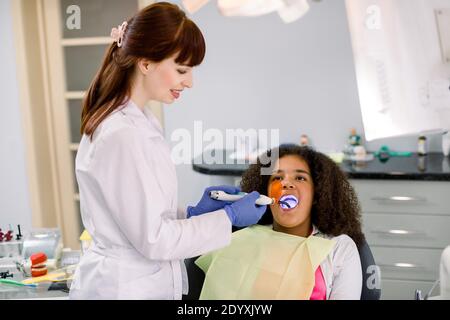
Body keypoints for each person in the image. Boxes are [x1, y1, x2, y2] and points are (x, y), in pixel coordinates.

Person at [69, 2, 266, 300]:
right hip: (123, 289)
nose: (189, 82)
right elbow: (154, 239)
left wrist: (190, 213)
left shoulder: (140, 122)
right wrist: (227, 218)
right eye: (182, 69)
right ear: (146, 63)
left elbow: (138, 212)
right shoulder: (121, 135)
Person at [195, 144, 364, 300]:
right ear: (265, 192)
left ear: (317, 194)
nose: (286, 184)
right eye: (277, 178)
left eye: (300, 178)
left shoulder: (339, 248)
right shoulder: (240, 239)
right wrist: (198, 218)